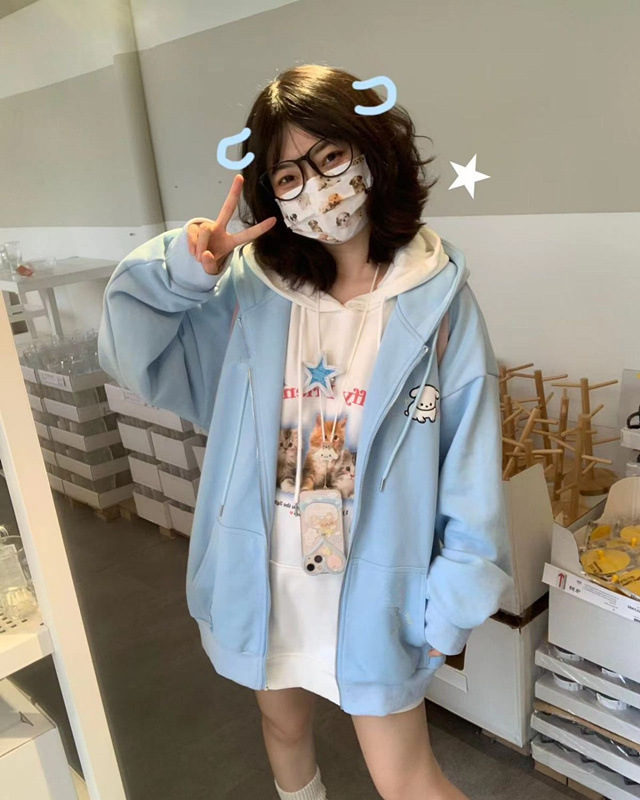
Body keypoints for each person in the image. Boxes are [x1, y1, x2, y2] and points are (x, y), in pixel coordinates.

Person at [98, 64, 513, 800]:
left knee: (407, 778)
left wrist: (450, 605)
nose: (318, 188)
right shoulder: (251, 292)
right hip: (267, 574)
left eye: (330, 156)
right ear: (271, 194)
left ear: (371, 150)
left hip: (374, 588)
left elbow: (471, 466)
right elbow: (132, 351)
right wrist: (182, 271)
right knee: (283, 730)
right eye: (289, 175)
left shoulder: (438, 301)